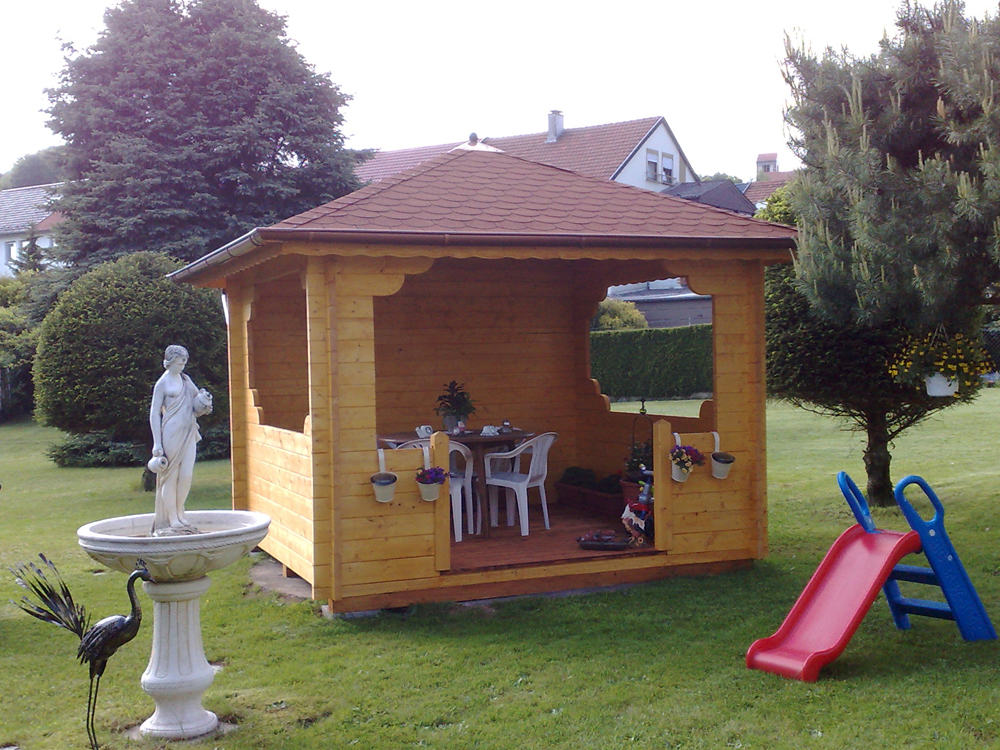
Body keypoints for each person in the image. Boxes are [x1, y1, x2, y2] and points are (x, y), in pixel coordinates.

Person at [149, 345, 212, 535]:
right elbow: (154, 413)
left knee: (186, 475)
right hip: (171, 433)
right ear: (169, 363)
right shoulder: (162, 384)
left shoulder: (186, 380)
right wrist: (157, 442)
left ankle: (180, 512)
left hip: (189, 432)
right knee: (171, 476)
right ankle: (172, 518)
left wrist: (205, 401)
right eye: (179, 363)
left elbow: (196, 402)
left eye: (184, 363)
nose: (182, 366)